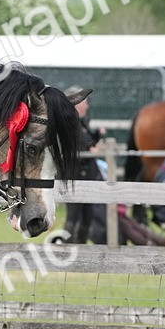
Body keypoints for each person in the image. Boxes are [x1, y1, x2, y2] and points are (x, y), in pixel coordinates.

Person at [61, 84, 107, 245]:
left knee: (87, 215)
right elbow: (79, 149)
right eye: (84, 101)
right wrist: (92, 151)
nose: (87, 105)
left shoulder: (81, 123)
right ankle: (65, 248)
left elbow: (87, 143)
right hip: (74, 176)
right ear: (76, 102)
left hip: (87, 175)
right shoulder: (68, 124)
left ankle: (80, 249)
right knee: (73, 215)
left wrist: (97, 137)